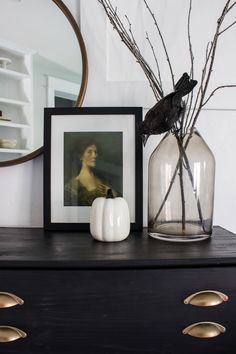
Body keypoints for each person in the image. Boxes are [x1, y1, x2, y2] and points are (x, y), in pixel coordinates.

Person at [64, 141, 117, 206]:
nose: (94, 155)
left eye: (95, 152)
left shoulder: (102, 179)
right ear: (80, 156)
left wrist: (111, 193)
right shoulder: (72, 186)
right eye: (89, 152)